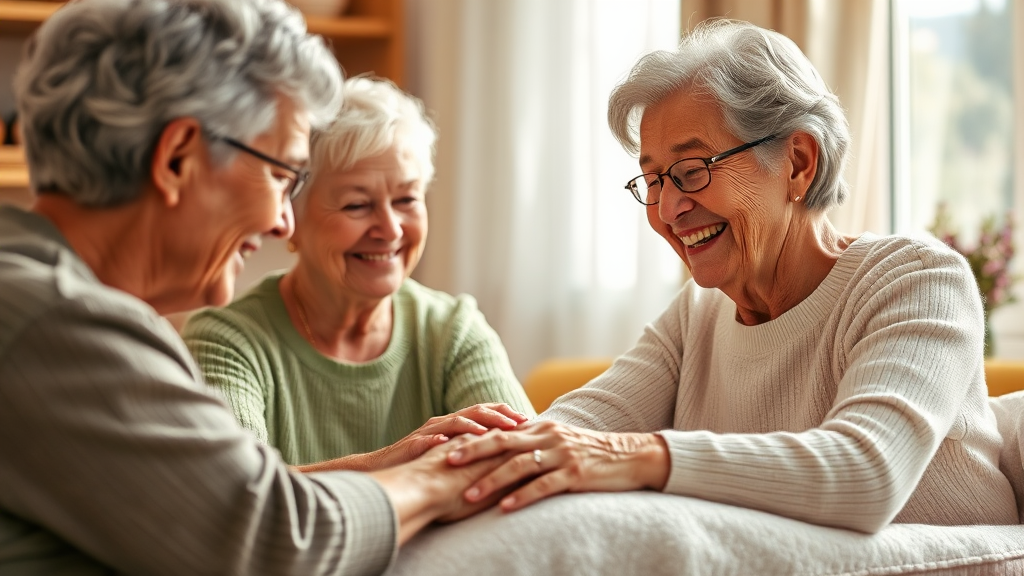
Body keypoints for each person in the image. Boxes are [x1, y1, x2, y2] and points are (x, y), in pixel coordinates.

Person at [444, 19, 1018, 534]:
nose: (668, 210)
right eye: (654, 181)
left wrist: (635, 456)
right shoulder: (696, 315)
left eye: (691, 170)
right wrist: (447, 459)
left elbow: (867, 474)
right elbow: (571, 432)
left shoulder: (915, 279)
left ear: (798, 161)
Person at [0, 1, 511, 573]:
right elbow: (274, 538)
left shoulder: (52, 301)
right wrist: (434, 476)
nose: (281, 222)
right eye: (280, 175)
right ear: (176, 160)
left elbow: (229, 503)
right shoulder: (57, 323)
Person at [183, 77, 534, 472]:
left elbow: (520, 464)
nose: (391, 229)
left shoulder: (453, 331)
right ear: (291, 217)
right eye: (356, 205)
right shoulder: (225, 340)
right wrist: (391, 461)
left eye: (406, 199)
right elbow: (237, 494)